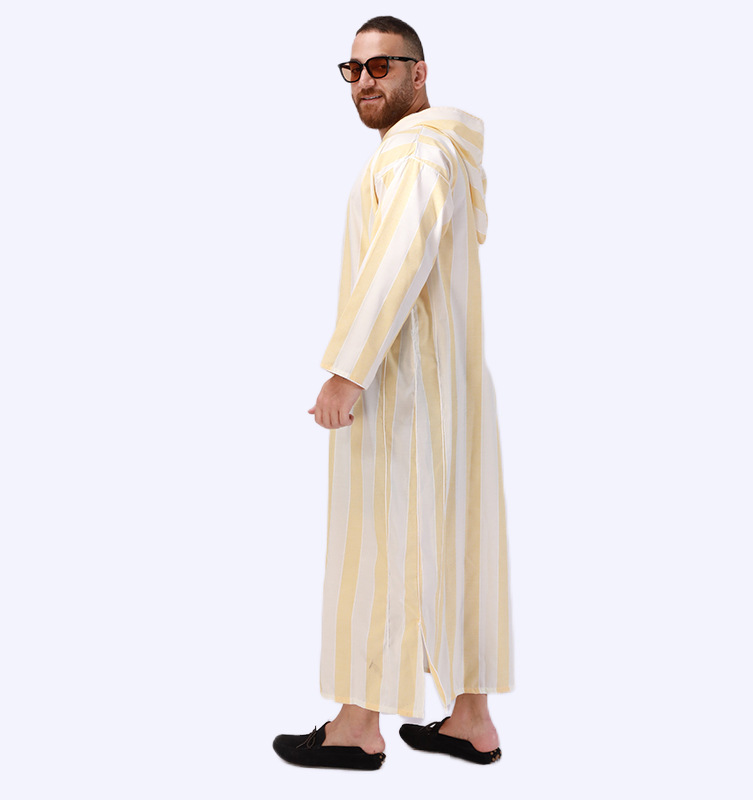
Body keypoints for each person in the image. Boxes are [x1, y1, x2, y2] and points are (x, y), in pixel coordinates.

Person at [273, 16, 514, 770]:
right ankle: (470, 719)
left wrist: (346, 370)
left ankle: (356, 727)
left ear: (420, 70)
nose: (365, 81)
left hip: (402, 388)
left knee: (379, 547)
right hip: (453, 389)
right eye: (354, 69)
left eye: (382, 66)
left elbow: (397, 260)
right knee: (460, 545)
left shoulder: (415, 153)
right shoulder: (444, 152)